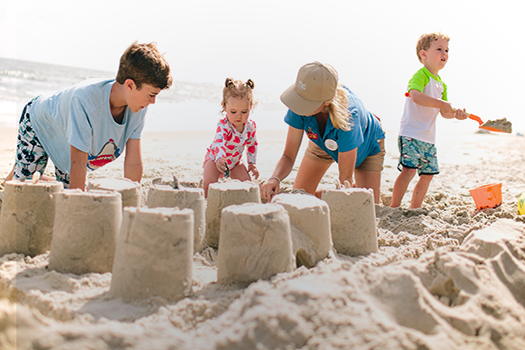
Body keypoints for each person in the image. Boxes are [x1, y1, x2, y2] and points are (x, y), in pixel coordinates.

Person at [4, 42, 172, 190]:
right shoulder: (85, 101)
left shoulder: (138, 108)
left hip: (66, 146)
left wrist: (131, 202)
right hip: (40, 125)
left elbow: (133, 162)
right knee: (25, 190)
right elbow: (77, 163)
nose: (153, 101)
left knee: (65, 190)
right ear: (130, 85)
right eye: (152, 94)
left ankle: (22, 171)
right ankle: (21, 175)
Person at [260, 61, 386, 203]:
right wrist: (274, 178)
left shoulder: (349, 119)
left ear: (326, 102)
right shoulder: (299, 105)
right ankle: (331, 192)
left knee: (364, 205)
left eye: (306, 103)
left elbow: (345, 179)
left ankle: (356, 188)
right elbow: (288, 156)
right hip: (322, 143)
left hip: (366, 146)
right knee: (299, 197)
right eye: (299, 99)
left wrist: (346, 188)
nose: (299, 106)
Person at [390, 32, 467, 209]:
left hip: (428, 138)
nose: (444, 53)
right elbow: (415, 96)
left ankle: (414, 208)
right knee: (408, 171)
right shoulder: (421, 75)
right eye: (439, 49)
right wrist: (441, 103)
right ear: (423, 54)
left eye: (446, 50)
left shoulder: (442, 84)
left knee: (428, 174)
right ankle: (394, 207)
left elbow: (444, 112)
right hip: (411, 133)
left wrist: (455, 114)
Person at [203, 78, 259, 197]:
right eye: (233, 112)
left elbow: (252, 144)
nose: (238, 116)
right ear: (224, 107)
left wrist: (251, 163)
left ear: (250, 107)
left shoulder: (250, 127)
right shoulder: (224, 126)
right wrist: (220, 158)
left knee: (247, 185)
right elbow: (219, 142)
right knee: (209, 183)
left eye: (244, 112)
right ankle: (206, 202)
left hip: (235, 163)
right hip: (215, 159)